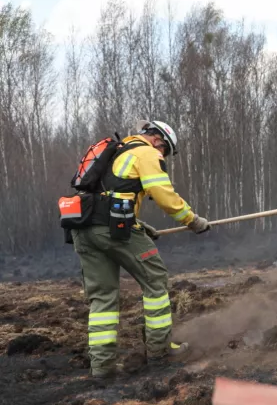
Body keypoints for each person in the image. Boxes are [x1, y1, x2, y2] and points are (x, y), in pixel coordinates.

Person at [71, 120, 210, 378]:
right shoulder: (146, 153)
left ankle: (102, 368)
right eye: (165, 151)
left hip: (83, 227)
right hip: (112, 230)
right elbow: (163, 194)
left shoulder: (116, 152)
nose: (163, 156)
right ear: (159, 139)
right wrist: (192, 220)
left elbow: (110, 195)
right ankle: (160, 351)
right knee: (155, 280)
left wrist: (138, 224)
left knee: (102, 297)